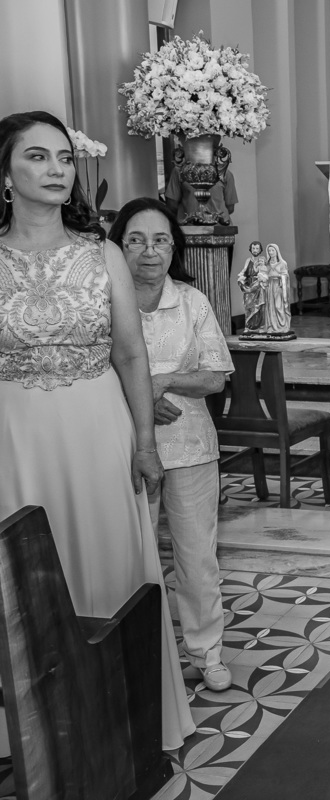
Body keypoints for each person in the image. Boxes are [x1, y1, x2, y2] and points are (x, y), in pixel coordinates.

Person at [0, 110, 195, 749]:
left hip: (96, 429)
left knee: (110, 568)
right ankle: (30, 739)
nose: (57, 169)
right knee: (21, 579)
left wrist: (144, 443)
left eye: (63, 158)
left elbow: (132, 355)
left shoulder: (102, 254)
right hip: (14, 437)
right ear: (5, 174)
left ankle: (122, 722)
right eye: (37, 157)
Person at [109, 197, 234, 693]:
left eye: (160, 240)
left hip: (189, 447)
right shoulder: (101, 301)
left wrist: (159, 383)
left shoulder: (192, 301)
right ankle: (145, 659)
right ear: (118, 247)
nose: (148, 251)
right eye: (135, 240)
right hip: (121, 445)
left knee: (196, 559)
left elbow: (217, 376)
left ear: (173, 247)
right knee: (131, 558)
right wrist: (137, 395)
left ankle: (206, 654)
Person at [164, 157, 237, 225]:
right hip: (189, 228)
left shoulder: (225, 174)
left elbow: (230, 207)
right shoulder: (179, 171)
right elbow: (172, 205)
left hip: (220, 228)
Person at [239, 240, 268, 333]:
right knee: (248, 306)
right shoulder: (248, 260)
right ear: (250, 249)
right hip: (249, 285)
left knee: (259, 306)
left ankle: (261, 326)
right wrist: (241, 277)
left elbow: (265, 272)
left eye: (257, 248)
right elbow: (244, 271)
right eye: (253, 248)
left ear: (260, 250)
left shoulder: (262, 259)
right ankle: (248, 326)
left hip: (259, 285)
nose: (255, 250)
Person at [263, 243, 291, 333]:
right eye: (269, 251)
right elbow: (264, 273)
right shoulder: (266, 264)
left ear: (276, 251)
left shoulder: (282, 263)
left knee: (278, 306)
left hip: (278, 286)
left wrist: (280, 276)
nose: (271, 252)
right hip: (269, 286)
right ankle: (271, 326)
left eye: (272, 250)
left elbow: (285, 275)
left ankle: (282, 325)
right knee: (270, 306)